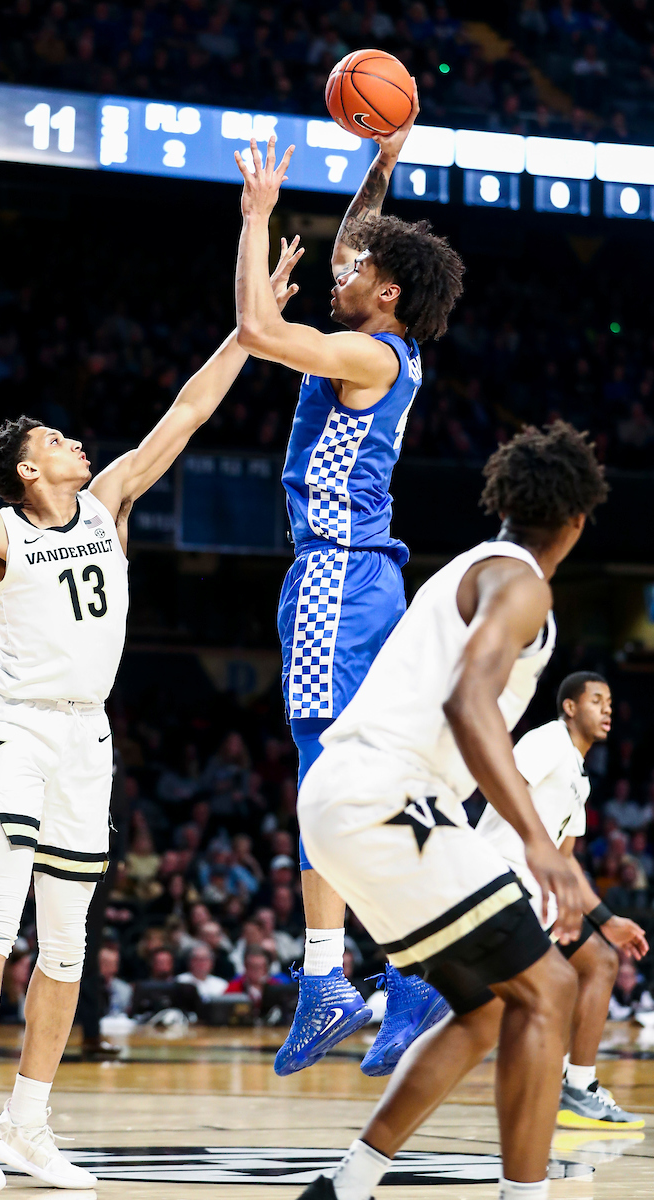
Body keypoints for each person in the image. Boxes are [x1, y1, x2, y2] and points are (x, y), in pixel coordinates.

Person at [0, 242, 302, 1198]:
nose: (76, 445)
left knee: (67, 945)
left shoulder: (109, 502)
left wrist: (249, 325)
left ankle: (30, 1122)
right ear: (26, 466)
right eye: (56, 439)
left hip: (89, 737)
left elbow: (189, 409)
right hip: (15, 725)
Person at [293, 422, 607, 1200]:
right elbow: (468, 701)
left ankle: (347, 1186)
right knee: (550, 991)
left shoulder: (471, 566)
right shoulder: (523, 580)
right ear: (578, 519)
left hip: (344, 796)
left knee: (487, 1007)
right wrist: (539, 843)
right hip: (389, 793)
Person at [233, 81, 465, 1077]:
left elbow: (254, 331)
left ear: (387, 295)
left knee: (323, 776)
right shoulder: (384, 341)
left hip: (335, 576)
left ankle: (334, 979)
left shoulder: (364, 355)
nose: (342, 266)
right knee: (353, 776)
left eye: (358, 269)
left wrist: (251, 222)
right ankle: (403, 968)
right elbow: (357, 245)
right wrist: (381, 159)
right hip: (362, 578)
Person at [475, 674, 647, 1128]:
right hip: (500, 878)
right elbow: (500, 782)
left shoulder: (579, 776)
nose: (607, 709)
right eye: (596, 700)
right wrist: (533, 846)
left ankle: (578, 1085)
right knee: (534, 997)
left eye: (610, 702)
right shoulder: (548, 740)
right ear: (570, 707)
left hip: (535, 890)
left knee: (600, 962)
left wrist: (607, 919)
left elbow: (567, 860)